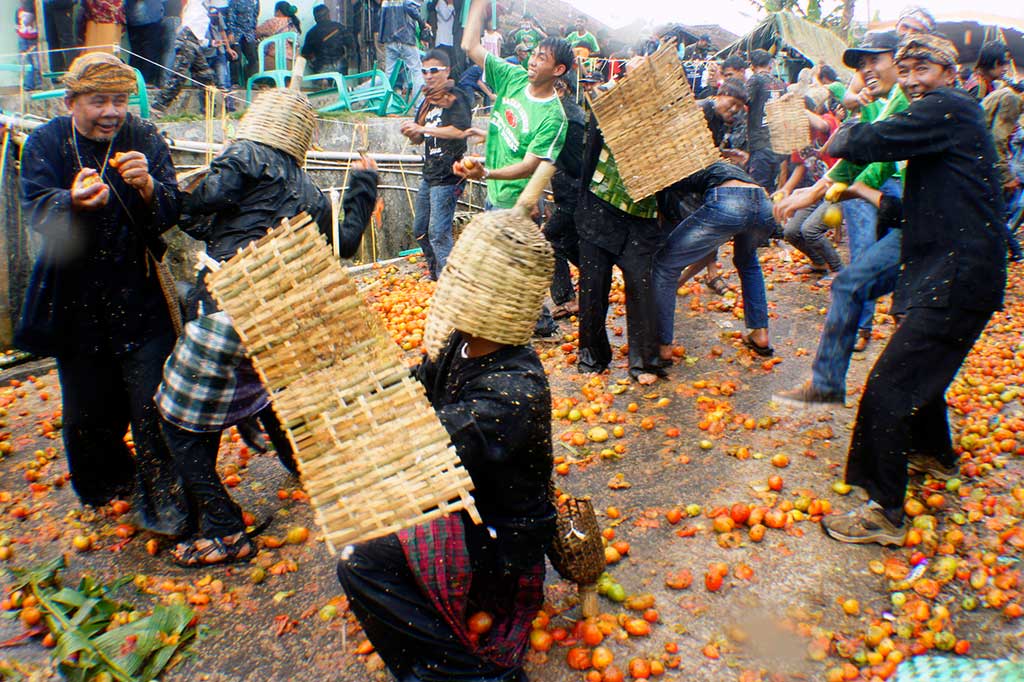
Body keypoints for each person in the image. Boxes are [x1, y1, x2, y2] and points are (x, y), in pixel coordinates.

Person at [337, 174, 555, 682]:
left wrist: (362, 430)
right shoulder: (461, 342)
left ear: (502, 297)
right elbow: (415, 386)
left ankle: (468, 676)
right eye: (457, 268)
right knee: (368, 525)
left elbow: (426, 442)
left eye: (466, 275)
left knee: (361, 558)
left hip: (499, 539)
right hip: (459, 499)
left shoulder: (514, 390)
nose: (451, 279)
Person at [156, 92, 380, 565]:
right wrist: (364, 183)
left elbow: (200, 208)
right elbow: (345, 244)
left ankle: (223, 529)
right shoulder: (313, 193)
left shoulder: (246, 155)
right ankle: (306, 467)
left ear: (258, 123)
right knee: (269, 384)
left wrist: (163, 191)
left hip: (228, 308)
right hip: (279, 317)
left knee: (179, 420)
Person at [819, 34, 1006, 547]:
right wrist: (860, 190)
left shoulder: (948, 107)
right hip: (959, 271)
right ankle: (936, 456)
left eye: (922, 67)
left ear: (949, 71)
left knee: (887, 389)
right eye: (904, 69)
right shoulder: (947, 122)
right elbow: (915, 210)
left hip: (956, 277)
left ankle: (885, 512)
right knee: (922, 373)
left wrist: (838, 124)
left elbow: (868, 142)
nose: (910, 78)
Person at [17, 53, 188, 536]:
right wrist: (68, 201)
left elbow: (173, 210)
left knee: (153, 398)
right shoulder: (47, 143)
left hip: (139, 291)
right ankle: (107, 485)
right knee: (89, 405)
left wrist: (151, 188)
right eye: (98, 102)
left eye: (119, 100)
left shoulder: (145, 138)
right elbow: (35, 209)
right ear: (71, 101)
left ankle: (165, 496)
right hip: (76, 296)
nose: (111, 112)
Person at [775, 31, 908, 355]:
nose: (867, 71)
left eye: (875, 60)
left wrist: (821, 190)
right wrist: (821, 190)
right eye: (863, 65)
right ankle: (863, 324)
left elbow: (878, 160)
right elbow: (871, 156)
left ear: (899, 59)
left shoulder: (904, 98)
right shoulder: (877, 98)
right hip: (875, 183)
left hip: (902, 191)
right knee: (864, 251)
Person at [401, 49, 471, 279]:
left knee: (439, 232)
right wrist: (412, 132)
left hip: (450, 173)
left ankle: (449, 283)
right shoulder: (427, 102)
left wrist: (423, 129)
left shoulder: (456, 97)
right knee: (420, 229)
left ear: (447, 71)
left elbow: (460, 131)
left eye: (434, 70)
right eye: (424, 71)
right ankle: (435, 273)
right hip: (430, 173)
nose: (428, 76)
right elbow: (420, 138)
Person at [779, 96, 844, 278]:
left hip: (840, 189)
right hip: (816, 190)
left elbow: (823, 126)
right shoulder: (798, 138)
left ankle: (838, 270)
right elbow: (801, 166)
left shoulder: (826, 122)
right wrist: (786, 189)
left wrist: (797, 108)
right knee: (791, 231)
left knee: (810, 230)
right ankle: (818, 263)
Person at [842, 6, 933, 115]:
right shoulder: (884, 46)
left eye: (917, 30)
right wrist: (860, 98)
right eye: (905, 27)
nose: (909, 33)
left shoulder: (933, 62)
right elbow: (848, 98)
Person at [545, 74, 585, 320]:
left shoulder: (567, 117)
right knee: (567, 241)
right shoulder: (569, 112)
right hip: (570, 191)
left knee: (548, 239)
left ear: (561, 88)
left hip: (573, 192)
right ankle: (593, 280)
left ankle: (568, 298)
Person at [152, 0, 225, 117]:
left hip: (194, 42)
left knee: (205, 76)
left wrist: (211, 42)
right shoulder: (196, 3)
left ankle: (209, 111)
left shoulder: (205, 8)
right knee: (179, 75)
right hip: (187, 40)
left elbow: (199, 37)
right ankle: (159, 105)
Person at [745, 48, 787, 191]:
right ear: (770, 64)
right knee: (771, 189)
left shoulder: (755, 80)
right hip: (776, 145)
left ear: (752, 66)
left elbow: (744, 104)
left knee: (757, 189)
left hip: (759, 144)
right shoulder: (781, 85)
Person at [379, 0, 426, 99]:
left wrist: (382, 38)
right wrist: (423, 24)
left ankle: (385, 101)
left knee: (389, 73)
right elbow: (411, 8)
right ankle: (418, 102)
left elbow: (382, 18)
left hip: (390, 39)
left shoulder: (386, 1)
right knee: (417, 71)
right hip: (406, 38)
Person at [125, 0, 166, 84]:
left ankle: (135, 81)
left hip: (133, 18)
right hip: (151, 17)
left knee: (136, 52)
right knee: (150, 53)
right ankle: (147, 82)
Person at [302, 4, 349, 75]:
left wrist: (314, 61)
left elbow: (305, 53)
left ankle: (323, 83)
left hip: (320, 67)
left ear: (315, 18)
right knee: (340, 84)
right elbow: (351, 45)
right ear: (328, 15)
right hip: (340, 64)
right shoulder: (340, 27)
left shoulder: (311, 33)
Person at [225, 0, 258, 84]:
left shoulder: (255, 1)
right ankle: (235, 82)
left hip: (249, 33)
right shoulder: (234, 1)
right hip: (236, 32)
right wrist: (230, 32)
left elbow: (255, 14)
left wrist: (254, 30)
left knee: (253, 58)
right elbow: (230, 15)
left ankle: (251, 82)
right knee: (235, 57)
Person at [43, 0, 79, 73]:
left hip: (63, 6)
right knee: (52, 41)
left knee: (67, 40)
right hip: (48, 6)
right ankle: (56, 73)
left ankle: (73, 72)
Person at [16, 0, 42, 92]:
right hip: (23, 38)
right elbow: (18, 24)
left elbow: (28, 21)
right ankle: (28, 84)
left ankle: (39, 83)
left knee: (37, 62)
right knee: (26, 62)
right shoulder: (18, 10)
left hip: (33, 38)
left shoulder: (34, 9)